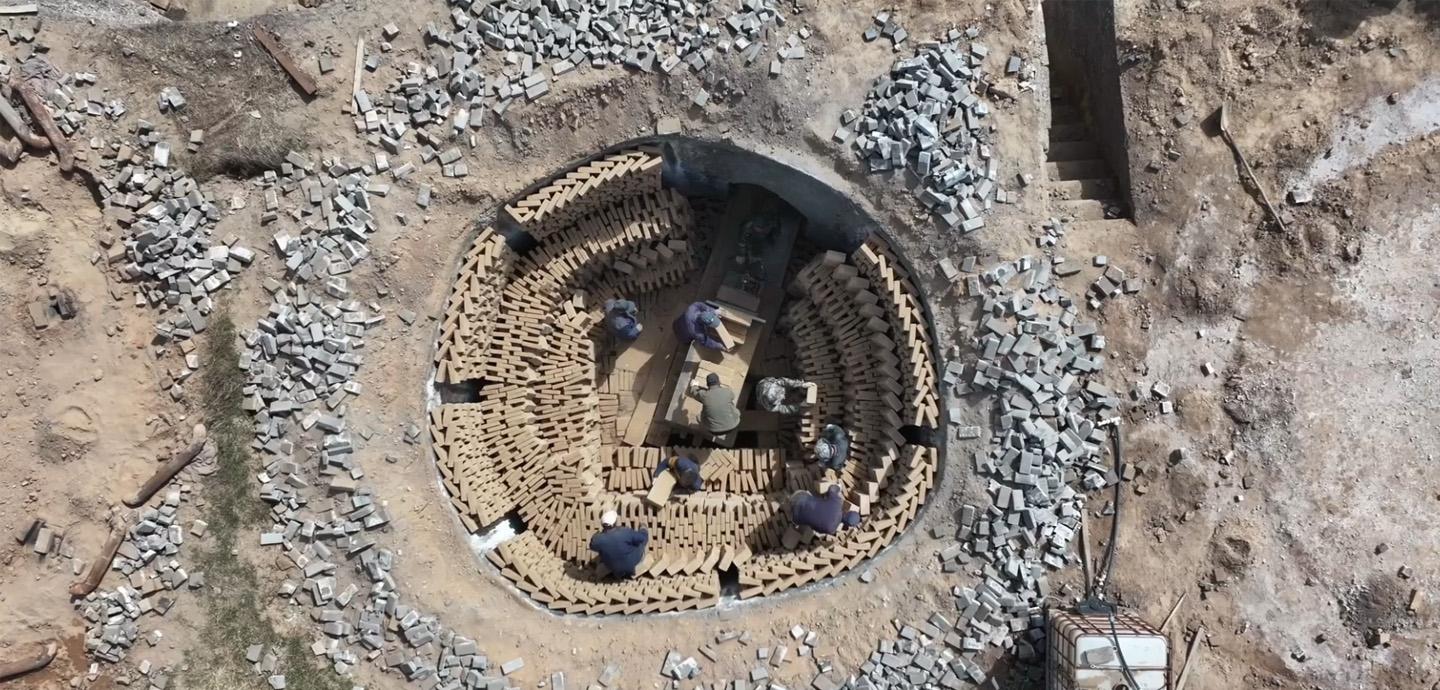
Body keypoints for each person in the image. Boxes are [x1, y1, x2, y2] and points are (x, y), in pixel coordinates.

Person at [589, 510, 649, 578]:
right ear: (615, 523)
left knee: (602, 553)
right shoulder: (624, 532)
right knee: (641, 544)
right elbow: (643, 538)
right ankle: (636, 570)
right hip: (630, 564)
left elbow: (592, 545)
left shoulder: (598, 539)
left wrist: (596, 535)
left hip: (611, 566)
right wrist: (643, 529)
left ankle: (605, 573)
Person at [790, 486, 861, 536]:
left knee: (814, 498)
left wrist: (839, 487)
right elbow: (814, 528)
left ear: (847, 511)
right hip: (795, 517)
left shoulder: (837, 503)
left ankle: (788, 497)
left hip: (799, 498)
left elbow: (832, 488)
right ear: (846, 524)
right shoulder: (831, 530)